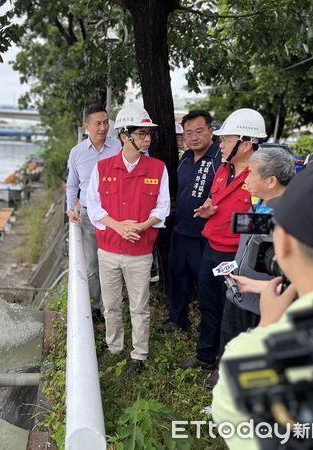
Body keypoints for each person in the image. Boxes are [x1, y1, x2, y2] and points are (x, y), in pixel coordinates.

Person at [212, 164, 313, 449]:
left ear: (284, 245)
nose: (248, 180)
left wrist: (265, 329)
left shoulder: (252, 357)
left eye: (253, 174)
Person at [178, 108, 267, 372]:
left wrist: (231, 222)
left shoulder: (262, 178)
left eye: (227, 140)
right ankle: (205, 356)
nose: (222, 144)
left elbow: (267, 222)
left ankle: (226, 366)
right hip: (212, 250)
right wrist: (210, 207)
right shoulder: (223, 170)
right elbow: (218, 199)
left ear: (247, 143)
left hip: (237, 259)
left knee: (234, 312)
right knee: (209, 305)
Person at [86, 103, 170, 378]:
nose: (147, 138)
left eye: (148, 134)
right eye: (142, 133)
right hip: (108, 249)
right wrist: (119, 227)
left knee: (139, 306)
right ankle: (114, 348)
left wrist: (143, 226)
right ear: (125, 136)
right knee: (110, 304)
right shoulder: (103, 168)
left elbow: (162, 207)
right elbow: (94, 207)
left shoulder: (158, 169)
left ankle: (139, 354)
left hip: (140, 250)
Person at [205, 147, 295, 389]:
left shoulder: (290, 218)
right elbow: (246, 246)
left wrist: (255, 285)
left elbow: (296, 278)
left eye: (252, 173)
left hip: (263, 304)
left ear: (271, 180)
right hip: (239, 294)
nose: (245, 178)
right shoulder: (258, 204)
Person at [157, 110, 222, 333]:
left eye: (199, 131)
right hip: (180, 229)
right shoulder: (185, 158)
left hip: (204, 236)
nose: (193, 137)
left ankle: (209, 328)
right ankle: (178, 320)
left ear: (211, 131)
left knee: (205, 285)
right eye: (188, 133)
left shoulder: (220, 159)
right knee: (178, 276)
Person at [66, 104, 121, 317]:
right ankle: (94, 308)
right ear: (86, 126)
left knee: (113, 264)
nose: (103, 128)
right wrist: (72, 209)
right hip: (88, 216)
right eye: (98, 123)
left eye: (106, 122)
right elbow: (72, 185)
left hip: (114, 216)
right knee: (91, 265)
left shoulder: (118, 148)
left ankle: (110, 308)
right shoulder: (77, 153)